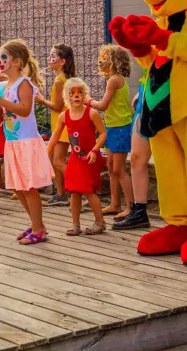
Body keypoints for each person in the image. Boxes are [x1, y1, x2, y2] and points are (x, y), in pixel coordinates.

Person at [0, 40, 54, 245]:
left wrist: (0, 101)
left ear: (16, 62)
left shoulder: (24, 84)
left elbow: (24, 110)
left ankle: (38, 229)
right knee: (18, 187)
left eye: (4, 57)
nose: (0, 61)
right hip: (13, 143)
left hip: (26, 143)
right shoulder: (3, 86)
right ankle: (36, 224)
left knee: (29, 188)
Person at [47, 78, 107, 236]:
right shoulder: (64, 116)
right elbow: (56, 135)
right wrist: (46, 151)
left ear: (85, 94)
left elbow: (102, 134)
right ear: (66, 96)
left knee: (88, 190)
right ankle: (75, 224)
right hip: (75, 158)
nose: (76, 96)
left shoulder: (92, 114)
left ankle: (100, 222)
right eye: (72, 93)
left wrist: (95, 150)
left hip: (89, 158)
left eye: (80, 92)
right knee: (74, 191)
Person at [85, 44, 134, 220]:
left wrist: (88, 100)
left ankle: (131, 207)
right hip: (113, 127)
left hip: (120, 128)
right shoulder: (115, 79)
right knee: (112, 168)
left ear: (115, 61)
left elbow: (103, 105)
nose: (101, 61)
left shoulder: (114, 80)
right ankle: (115, 204)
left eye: (105, 58)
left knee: (119, 169)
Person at [36, 43, 76, 206]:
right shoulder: (63, 78)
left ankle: (80, 190)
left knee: (58, 161)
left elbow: (58, 107)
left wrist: (41, 100)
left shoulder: (60, 80)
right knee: (54, 159)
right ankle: (61, 193)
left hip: (63, 126)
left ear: (62, 61)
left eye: (53, 56)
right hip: (60, 125)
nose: (48, 58)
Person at [114, 71, 152, 230]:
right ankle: (139, 211)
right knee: (136, 157)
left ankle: (182, 215)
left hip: (168, 93)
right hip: (147, 94)